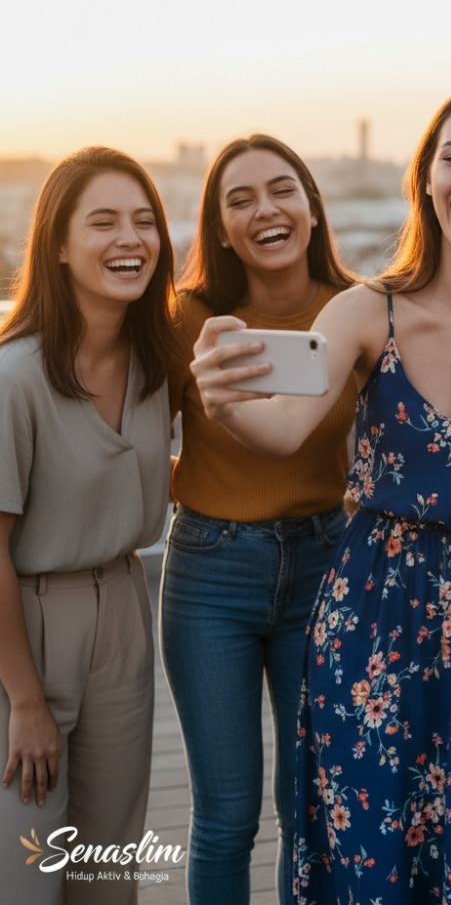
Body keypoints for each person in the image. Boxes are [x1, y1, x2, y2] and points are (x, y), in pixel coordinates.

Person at [191, 82, 451, 902]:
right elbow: (283, 430)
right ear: (426, 178)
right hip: (372, 624)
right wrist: (220, 392)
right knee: (373, 857)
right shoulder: (364, 311)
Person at [163, 134, 357, 905]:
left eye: (281, 190)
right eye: (238, 199)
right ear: (218, 226)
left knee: (307, 810)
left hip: (327, 566)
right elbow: (138, 447)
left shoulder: (357, 310)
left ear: (311, 206)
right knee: (225, 815)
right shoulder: (186, 319)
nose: (264, 210)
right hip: (210, 575)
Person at [0, 147, 178, 904]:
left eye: (144, 221)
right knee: (25, 874)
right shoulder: (15, 378)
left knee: (107, 871)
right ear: (60, 247)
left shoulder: (158, 363)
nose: (129, 238)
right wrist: (26, 701)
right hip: (28, 627)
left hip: (127, 616)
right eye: (102, 221)